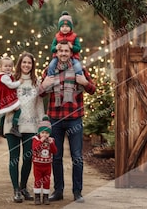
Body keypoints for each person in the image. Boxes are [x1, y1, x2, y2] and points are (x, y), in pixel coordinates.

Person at [39, 41, 96, 203]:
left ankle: (77, 192)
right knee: (56, 157)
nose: (63, 53)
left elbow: (93, 89)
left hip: (74, 119)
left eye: (66, 51)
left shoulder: (80, 69)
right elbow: (40, 93)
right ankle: (58, 191)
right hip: (55, 119)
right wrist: (44, 85)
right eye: (60, 51)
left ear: (71, 53)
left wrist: (84, 83)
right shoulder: (49, 70)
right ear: (56, 53)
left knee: (77, 156)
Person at [3, 52, 45, 203]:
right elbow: (1, 99)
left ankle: (23, 188)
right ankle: (15, 190)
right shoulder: (10, 80)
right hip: (12, 124)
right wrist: (9, 107)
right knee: (14, 159)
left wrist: (43, 126)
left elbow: (40, 105)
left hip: (31, 126)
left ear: (33, 65)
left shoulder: (36, 82)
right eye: (24, 62)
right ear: (19, 64)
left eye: (29, 63)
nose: (26, 65)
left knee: (28, 158)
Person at [0, 56, 23, 137]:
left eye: (10, 66)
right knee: (18, 110)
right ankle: (14, 127)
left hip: (5, 96)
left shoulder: (7, 75)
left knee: (4, 112)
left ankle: (0, 128)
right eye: (5, 66)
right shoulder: (4, 77)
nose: (8, 68)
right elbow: (11, 85)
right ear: (0, 67)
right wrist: (19, 82)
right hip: (5, 96)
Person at [47, 11, 82, 76]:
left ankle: (79, 77)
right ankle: (50, 77)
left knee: (78, 66)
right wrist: (56, 47)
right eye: (62, 26)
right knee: (51, 65)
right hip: (58, 57)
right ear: (59, 28)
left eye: (67, 26)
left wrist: (72, 47)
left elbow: (78, 48)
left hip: (73, 57)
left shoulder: (74, 36)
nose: (64, 28)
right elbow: (52, 48)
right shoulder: (57, 36)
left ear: (71, 28)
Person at [32, 115, 57, 205]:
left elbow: (54, 151)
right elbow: (35, 149)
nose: (44, 135)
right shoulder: (36, 140)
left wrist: (52, 144)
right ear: (39, 133)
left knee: (47, 181)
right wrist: (41, 141)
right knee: (38, 180)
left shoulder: (51, 140)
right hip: (37, 165)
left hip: (47, 165)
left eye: (47, 133)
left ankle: (46, 197)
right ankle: (37, 196)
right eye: (42, 132)